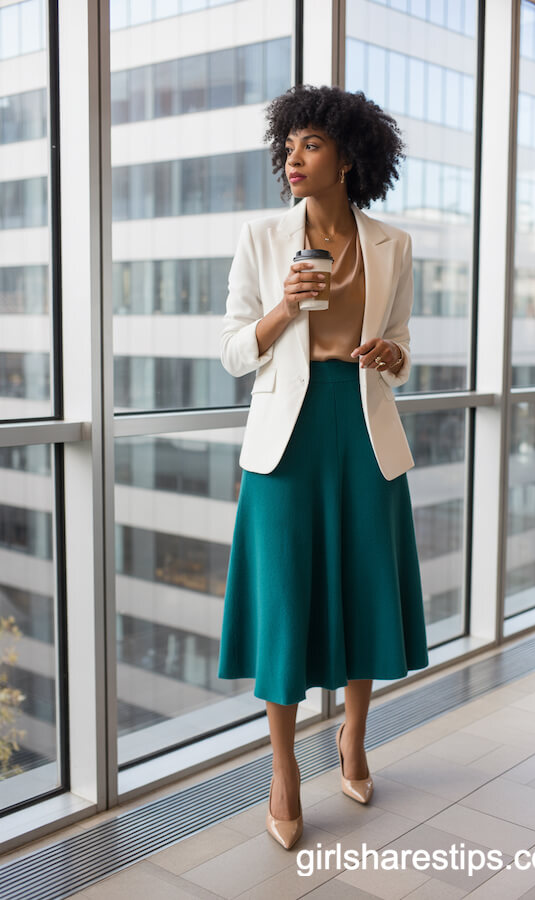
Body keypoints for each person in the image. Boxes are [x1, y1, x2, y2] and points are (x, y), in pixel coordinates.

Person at [217, 84, 429, 850]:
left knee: (364, 588)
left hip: (363, 431)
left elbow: (402, 352)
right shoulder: (262, 237)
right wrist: (283, 309)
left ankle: (354, 737)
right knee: (283, 603)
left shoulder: (393, 245)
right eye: (288, 145)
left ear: (348, 156)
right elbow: (235, 351)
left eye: (309, 144)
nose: (292, 158)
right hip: (286, 441)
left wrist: (391, 354)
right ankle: (282, 771)